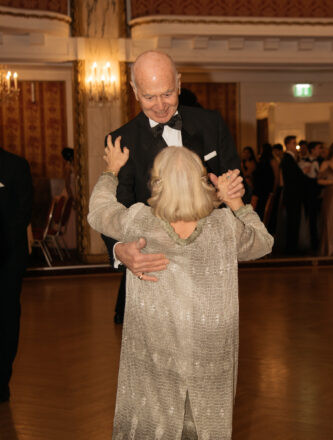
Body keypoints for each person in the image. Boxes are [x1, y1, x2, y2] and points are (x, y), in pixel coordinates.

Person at [88, 138, 273, 439]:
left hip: (155, 347)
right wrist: (236, 203)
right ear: (202, 182)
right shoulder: (225, 226)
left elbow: (99, 212)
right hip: (209, 347)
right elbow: (263, 243)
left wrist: (111, 170)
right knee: (205, 423)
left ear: (157, 183)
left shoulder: (140, 221)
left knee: (152, 422)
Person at [101, 50, 245, 324]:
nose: (160, 106)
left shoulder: (211, 123)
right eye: (149, 97)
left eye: (167, 94)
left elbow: (235, 183)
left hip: (210, 267)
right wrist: (119, 249)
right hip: (156, 268)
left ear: (179, 83)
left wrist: (229, 191)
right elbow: (112, 208)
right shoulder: (122, 140)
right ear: (134, 91)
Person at [0, 148, 33, 402]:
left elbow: (22, 213)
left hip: (8, 257)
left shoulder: (15, 165)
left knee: (7, 316)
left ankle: (1, 379)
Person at [280, 135, 305, 255]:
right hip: (292, 195)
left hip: (293, 195)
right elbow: (293, 178)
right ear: (288, 145)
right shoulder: (287, 159)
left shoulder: (291, 159)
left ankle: (293, 247)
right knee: (293, 221)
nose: (296, 146)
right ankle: (291, 249)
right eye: (294, 143)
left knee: (294, 221)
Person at [251, 143, 278, 221]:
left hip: (266, 190)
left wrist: (274, 191)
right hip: (260, 189)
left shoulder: (272, 160)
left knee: (264, 211)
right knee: (257, 210)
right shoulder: (260, 159)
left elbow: (276, 177)